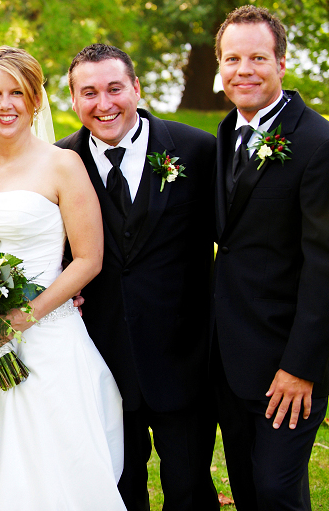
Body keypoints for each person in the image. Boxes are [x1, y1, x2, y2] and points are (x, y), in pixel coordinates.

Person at [0, 45, 125, 510]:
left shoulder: (62, 165)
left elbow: (89, 259)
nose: (5, 104)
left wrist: (19, 319)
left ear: (36, 101)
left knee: (45, 470)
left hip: (44, 335)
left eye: (18, 93)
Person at [55, 43, 220, 511]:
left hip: (183, 356)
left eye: (114, 88)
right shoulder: (61, 162)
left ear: (136, 88)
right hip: (100, 360)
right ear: (73, 98)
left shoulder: (197, 150)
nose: (104, 104)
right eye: (89, 93)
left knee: (189, 490)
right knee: (118, 491)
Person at [211, 5, 329, 511]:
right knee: (252, 490)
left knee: (276, 493)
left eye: (257, 57)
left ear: (281, 62)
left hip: (286, 363)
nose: (243, 70)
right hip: (230, 355)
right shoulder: (226, 132)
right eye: (232, 59)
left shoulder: (324, 147)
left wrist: (300, 367)